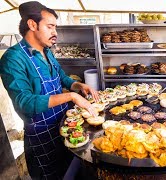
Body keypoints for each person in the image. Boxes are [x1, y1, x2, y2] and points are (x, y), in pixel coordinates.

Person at [0, 1, 99, 179]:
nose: (55, 33)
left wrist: (78, 86)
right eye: (50, 27)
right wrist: (71, 96)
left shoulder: (48, 52)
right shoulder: (13, 58)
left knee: (73, 172)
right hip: (42, 137)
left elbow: (62, 77)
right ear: (32, 24)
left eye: (55, 27)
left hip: (65, 126)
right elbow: (25, 103)